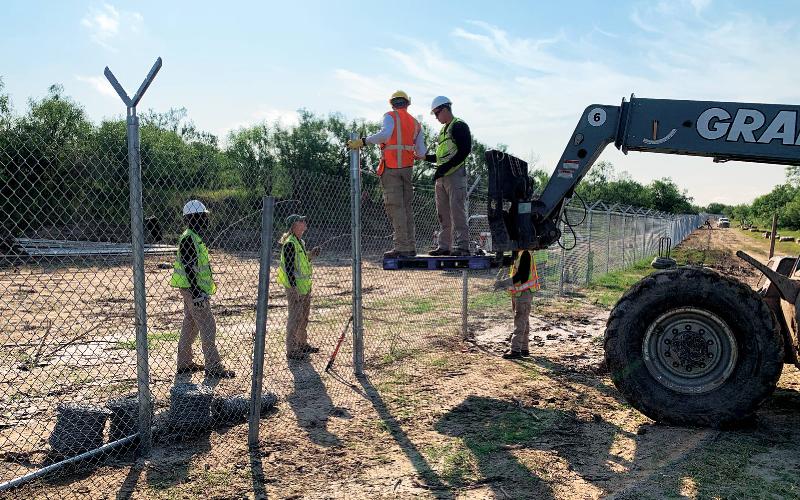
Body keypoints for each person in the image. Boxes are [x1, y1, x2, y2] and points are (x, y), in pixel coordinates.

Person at [347, 90, 426, 258]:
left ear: (392, 103)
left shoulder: (390, 116)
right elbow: (421, 151)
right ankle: (410, 247)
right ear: (407, 103)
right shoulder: (416, 123)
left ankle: (401, 247)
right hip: (407, 170)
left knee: (395, 208)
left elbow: (385, 135)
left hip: (391, 169)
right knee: (406, 209)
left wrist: (362, 142)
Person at [169, 200, 235, 378]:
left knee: (190, 324)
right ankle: (213, 367)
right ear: (195, 217)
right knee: (208, 326)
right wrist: (197, 292)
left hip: (191, 288)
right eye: (204, 216)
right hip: (193, 290)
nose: (207, 219)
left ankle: (184, 363)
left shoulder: (193, 237)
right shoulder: (190, 238)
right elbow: (189, 267)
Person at [425, 96, 472, 256]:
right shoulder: (444, 130)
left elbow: (465, 150)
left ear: (444, 109)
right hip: (442, 176)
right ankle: (444, 246)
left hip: (455, 175)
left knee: (457, 211)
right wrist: (425, 157)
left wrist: (446, 167)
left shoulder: (459, 125)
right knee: (443, 213)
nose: (436, 118)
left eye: (437, 114)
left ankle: (462, 246)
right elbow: (441, 156)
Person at [277, 214, 322, 360]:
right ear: (294, 225)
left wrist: (311, 255)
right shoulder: (290, 243)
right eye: (301, 221)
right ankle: (292, 349)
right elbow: (290, 269)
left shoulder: (300, 242)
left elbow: (301, 261)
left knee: (303, 317)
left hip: (304, 287)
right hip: (295, 287)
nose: (304, 222)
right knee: (294, 318)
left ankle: (302, 344)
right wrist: (294, 288)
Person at [494, 249, 541, 359]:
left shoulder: (524, 253)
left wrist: (503, 283)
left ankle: (516, 350)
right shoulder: (518, 253)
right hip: (519, 293)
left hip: (524, 292)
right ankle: (524, 348)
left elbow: (522, 276)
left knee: (520, 321)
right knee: (523, 320)